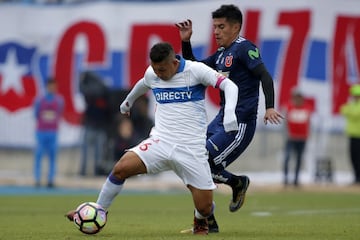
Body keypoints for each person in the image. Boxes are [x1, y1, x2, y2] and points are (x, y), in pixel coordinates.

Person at [66, 42, 239, 235]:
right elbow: (143, 83)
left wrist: (230, 113)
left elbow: (229, 85)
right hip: (160, 142)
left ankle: (200, 221)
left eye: (162, 70)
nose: (158, 74)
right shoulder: (153, 73)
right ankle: (98, 210)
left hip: (191, 148)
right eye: (155, 70)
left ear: (174, 62)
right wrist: (128, 102)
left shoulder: (195, 70)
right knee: (121, 168)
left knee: (205, 208)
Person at [176, 4, 284, 232]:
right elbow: (194, 68)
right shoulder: (221, 54)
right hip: (220, 120)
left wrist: (270, 107)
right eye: (214, 26)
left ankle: (223, 201)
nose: (216, 31)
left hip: (240, 124)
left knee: (201, 163)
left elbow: (264, 75)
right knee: (188, 161)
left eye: (221, 26)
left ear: (236, 27)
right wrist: (186, 42)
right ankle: (225, 198)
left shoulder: (245, 48)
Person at [79, 71, 113, 176]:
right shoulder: (90, 95)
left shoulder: (104, 94)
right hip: (90, 125)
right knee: (86, 150)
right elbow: (84, 90)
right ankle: (83, 172)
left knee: (99, 152)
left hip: (100, 127)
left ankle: (96, 171)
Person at [33, 78, 64, 188]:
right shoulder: (40, 100)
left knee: (52, 157)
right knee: (39, 155)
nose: (52, 88)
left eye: (54, 86)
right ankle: (37, 179)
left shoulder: (59, 100)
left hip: (53, 132)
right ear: (47, 86)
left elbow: (59, 113)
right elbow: (36, 114)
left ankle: (50, 179)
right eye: (50, 86)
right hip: (41, 131)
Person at [282, 88, 314, 187]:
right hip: (291, 138)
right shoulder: (288, 107)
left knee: (299, 159)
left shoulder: (307, 108)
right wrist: (287, 134)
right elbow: (285, 122)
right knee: (287, 158)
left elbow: (309, 123)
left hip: (302, 138)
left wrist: (308, 134)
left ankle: (296, 179)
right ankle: (286, 179)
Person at [340, 84, 360, 185]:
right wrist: (351, 112)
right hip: (352, 135)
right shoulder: (351, 105)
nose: (356, 97)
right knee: (353, 157)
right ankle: (356, 177)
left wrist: (350, 112)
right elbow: (342, 110)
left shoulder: (352, 106)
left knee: (358, 157)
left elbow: (355, 113)